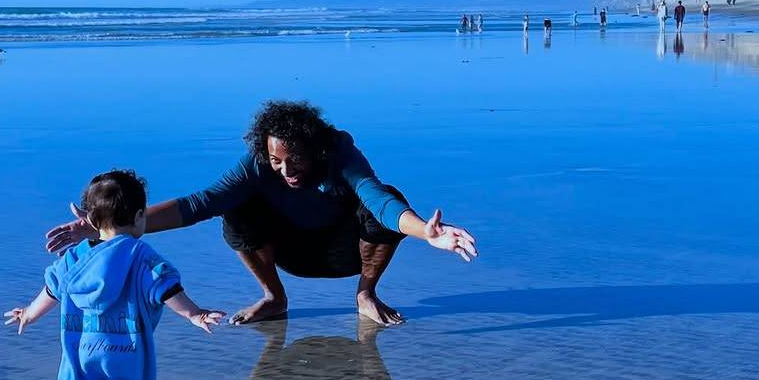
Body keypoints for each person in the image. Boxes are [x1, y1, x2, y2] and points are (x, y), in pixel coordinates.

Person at [46, 100, 478, 329]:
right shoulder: (256, 164)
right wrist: (108, 226)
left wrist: (426, 232)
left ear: (315, 149)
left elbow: (379, 200)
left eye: (295, 160)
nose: (285, 170)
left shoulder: (340, 153)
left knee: (382, 199)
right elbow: (201, 203)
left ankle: (365, 294)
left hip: (347, 252)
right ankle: (274, 297)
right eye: (276, 161)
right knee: (235, 208)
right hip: (289, 252)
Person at [10, 169, 225, 380]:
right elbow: (165, 288)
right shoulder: (140, 255)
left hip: (81, 352)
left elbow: (51, 290)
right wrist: (195, 314)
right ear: (140, 216)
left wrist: (28, 314)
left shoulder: (73, 259)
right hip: (126, 349)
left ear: (91, 221)